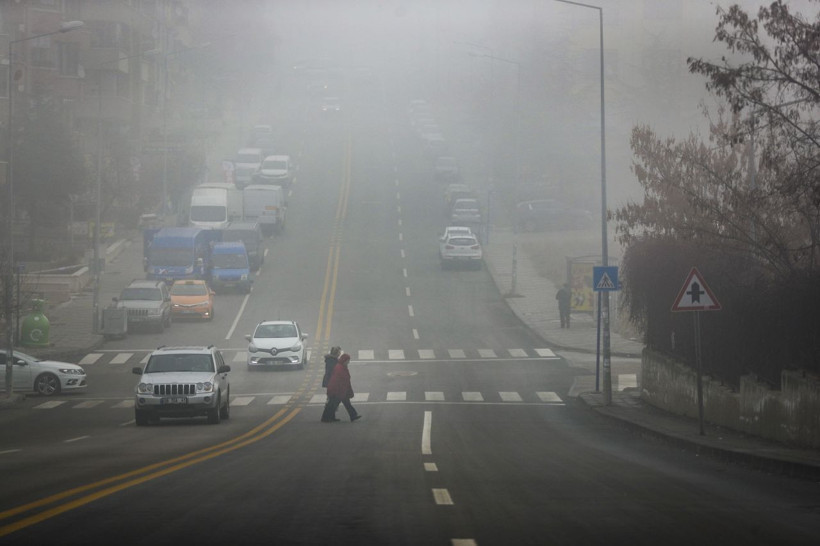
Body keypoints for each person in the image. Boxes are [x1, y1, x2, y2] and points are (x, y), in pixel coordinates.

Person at [321, 353, 361, 423]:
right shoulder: (340, 368)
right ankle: (326, 418)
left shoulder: (341, 367)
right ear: (344, 360)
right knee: (333, 404)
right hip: (337, 390)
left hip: (340, 390)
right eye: (348, 360)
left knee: (338, 404)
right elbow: (340, 380)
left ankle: (353, 415)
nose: (348, 362)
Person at [320, 346, 342, 422]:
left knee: (332, 399)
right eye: (339, 352)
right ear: (336, 353)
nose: (340, 353)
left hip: (331, 381)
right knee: (332, 400)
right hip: (331, 382)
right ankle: (326, 417)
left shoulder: (333, 360)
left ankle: (331, 416)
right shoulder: (332, 361)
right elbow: (332, 372)